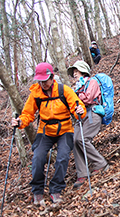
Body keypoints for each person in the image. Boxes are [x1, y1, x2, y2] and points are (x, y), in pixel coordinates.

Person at [12, 62, 86, 205]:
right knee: (38, 158)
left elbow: (77, 106)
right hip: (45, 131)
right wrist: (20, 122)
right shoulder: (36, 94)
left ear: (52, 77)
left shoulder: (64, 90)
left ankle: (56, 189)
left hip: (65, 130)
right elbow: (28, 114)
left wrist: (79, 113)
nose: (43, 84)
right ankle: (37, 191)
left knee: (62, 157)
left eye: (45, 80)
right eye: (40, 81)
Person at [67, 60, 109, 189]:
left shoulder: (92, 82)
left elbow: (88, 98)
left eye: (76, 71)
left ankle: (101, 163)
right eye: (73, 72)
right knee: (74, 140)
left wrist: (75, 94)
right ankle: (82, 174)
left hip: (93, 114)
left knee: (82, 139)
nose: (74, 74)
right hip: (81, 117)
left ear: (83, 71)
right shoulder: (79, 86)